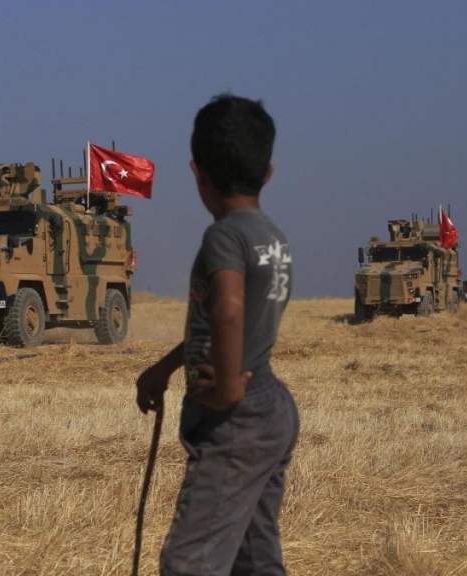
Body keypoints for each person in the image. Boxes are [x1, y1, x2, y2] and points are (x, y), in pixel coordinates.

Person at [135, 93, 298, 576]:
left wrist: (226, 387)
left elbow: (227, 308)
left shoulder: (224, 236)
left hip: (236, 418)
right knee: (254, 558)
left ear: (198, 173)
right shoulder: (272, 237)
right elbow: (229, 320)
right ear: (268, 173)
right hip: (270, 407)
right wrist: (165, 367)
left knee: (190, 562)